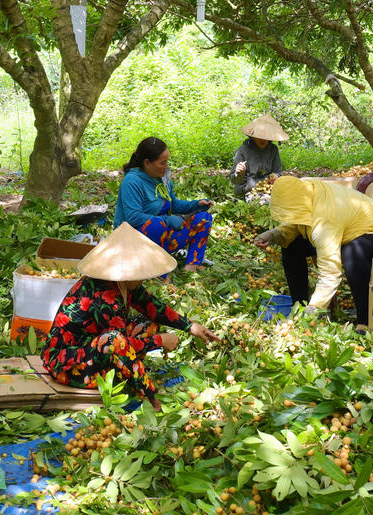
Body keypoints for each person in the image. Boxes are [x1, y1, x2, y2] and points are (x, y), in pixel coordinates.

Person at [43, 223, 221, 407]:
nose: (144, 278)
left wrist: (190, 326)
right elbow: (119, 344)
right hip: (69, 365)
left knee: (147, 322)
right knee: (114, 340)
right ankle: (145, 393)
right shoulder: (106, 297)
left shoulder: (123, 283)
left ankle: (127, 374)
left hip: (93, 348)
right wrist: (159, 344)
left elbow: (152, 306)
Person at [255, 176, 373, 323]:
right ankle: (299, 307)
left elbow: (330, 271)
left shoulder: (325, 219)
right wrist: (275, 234)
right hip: (345, 229)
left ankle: (366, 320)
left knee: (352, 254)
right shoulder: (305, 189)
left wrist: (316, 307)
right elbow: (299, 218)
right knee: (291, 246)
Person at [112, 137, 214, 271]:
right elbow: (133, 218)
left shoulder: (162, 178)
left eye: (167, 162)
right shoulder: (132, 182)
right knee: (157, 225)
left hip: (162, 238)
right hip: (134, 242)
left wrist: (196, 205)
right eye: (163, 163)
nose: (166, 167)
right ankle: (159, 271)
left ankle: (192, 266)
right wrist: (167, 220)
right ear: (147, 163)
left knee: (204, 218)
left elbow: (174, 205)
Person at [231, 114, 287, 197]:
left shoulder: (273, 150)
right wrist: (238, 172)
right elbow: (234, 181)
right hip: (247, 190)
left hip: (267, 189)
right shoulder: (243, 150)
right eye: (259, 136)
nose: (263, 140)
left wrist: (275, 176)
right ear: (252, 136)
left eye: (266, 137)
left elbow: (278, 171)